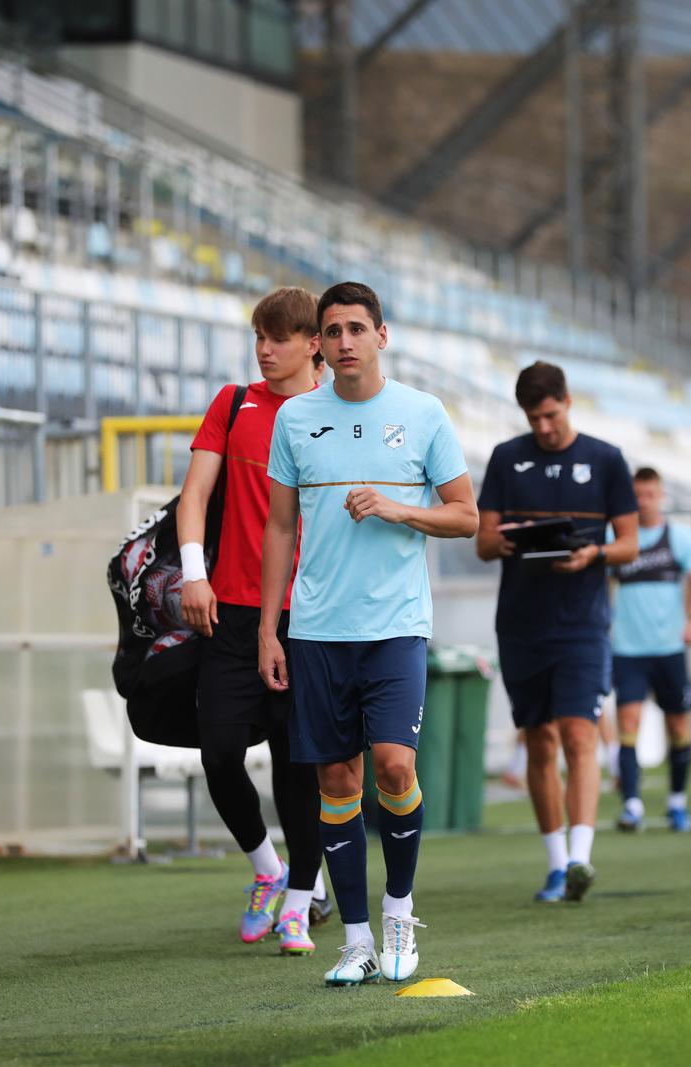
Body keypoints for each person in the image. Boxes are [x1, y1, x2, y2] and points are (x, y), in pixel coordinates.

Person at [259, 281, 476, 987]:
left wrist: (397, 509)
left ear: (382, 335)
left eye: (357, 327)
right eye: (332, 330)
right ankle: (355, 941)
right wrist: (271, 627)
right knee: (336, 777)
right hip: (318, 630)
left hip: (396, 628)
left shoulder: (422, 413)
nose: (345, 340)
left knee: (393, 766)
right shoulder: (294, 418)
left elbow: (467, 515)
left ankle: (398, 909)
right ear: (318, 343)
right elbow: (281, 527)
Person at [178, 287, 326, 955]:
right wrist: (192, 571)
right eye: (260, 337)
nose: (265, 349)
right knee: (219, 752)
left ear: (312, 342)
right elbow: (194, 495)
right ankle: (269, 871)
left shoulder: (334, 411)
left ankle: (299, 902)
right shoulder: (235, 402)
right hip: (232, 610)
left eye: (280, 337)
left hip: (315, 616)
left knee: (301, 765)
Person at [474, 361, 636, 903]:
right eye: (532, 417)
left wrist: (595, 553)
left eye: (549, 414)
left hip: (583, 624)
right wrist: (512, 539)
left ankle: (582, 861)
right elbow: (483, 542)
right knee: (540, 741)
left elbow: (629, 545)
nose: (542, 427)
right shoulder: (506, 457)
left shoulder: (606, 459)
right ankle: (555, 862)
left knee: (579, 734)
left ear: (568, 401)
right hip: (521, 624)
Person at [610, 468, 691, 833]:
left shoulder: (680, 538)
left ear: (661, 496)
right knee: (628, 724)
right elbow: (602, 585)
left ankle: (677, 802)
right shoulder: (618, 536)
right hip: (628, 650)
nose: (644, 501)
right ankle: (633, 805)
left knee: (679, 726)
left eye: (650, 494)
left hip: (669, 650)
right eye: (638, 494)